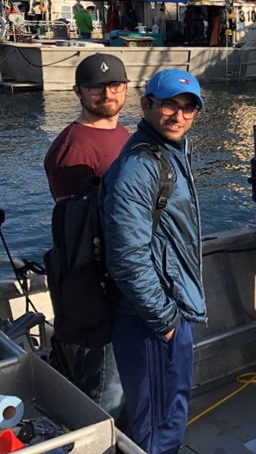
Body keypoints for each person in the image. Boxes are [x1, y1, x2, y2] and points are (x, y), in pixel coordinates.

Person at [101, 69, 206, 454]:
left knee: (169, 415)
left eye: (188, 108)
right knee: (159, 427)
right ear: (146, 105)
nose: (178, 116)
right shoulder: (139, 168)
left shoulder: (171, 153)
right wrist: (165, 322)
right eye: (168, 105)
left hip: (170, 312)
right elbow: (127, 258)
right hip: (151, 321)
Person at [44, 52, 131, 418]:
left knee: (124, 375)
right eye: (96, 86)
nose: (106, 94)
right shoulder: (71, 148)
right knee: (104, 387)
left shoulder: (125, 135)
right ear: (78, 91)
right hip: (99, 285)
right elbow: (74, 230)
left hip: (129, 277)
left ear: (126, 89)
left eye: (114, 85)